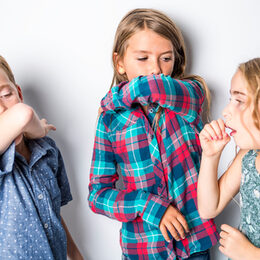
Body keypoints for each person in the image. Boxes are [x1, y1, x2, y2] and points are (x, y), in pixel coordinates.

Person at [88, 8, 219, 260]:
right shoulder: (110, 120)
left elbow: (152, 86)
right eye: (143, 58)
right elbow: (97, 195)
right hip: (143, 249)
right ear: (119, 62)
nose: (156, 69)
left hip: (194, 244)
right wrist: (148, 206)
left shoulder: (189, 94)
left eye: (166, 58)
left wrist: (112, 98)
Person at [0, 55, 84, 260]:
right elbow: (23, 115)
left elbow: (51, 214)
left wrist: (75, 255)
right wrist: (39, 130)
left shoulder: (48, 151)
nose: (2, 109)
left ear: (19, 92)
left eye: (5, 94)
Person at [197, 58, 260, 260]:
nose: (226, 111)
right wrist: (210, 156)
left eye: (239, 101)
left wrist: (251, 254)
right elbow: (208, 208)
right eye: (231, 99)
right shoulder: (248, 157)